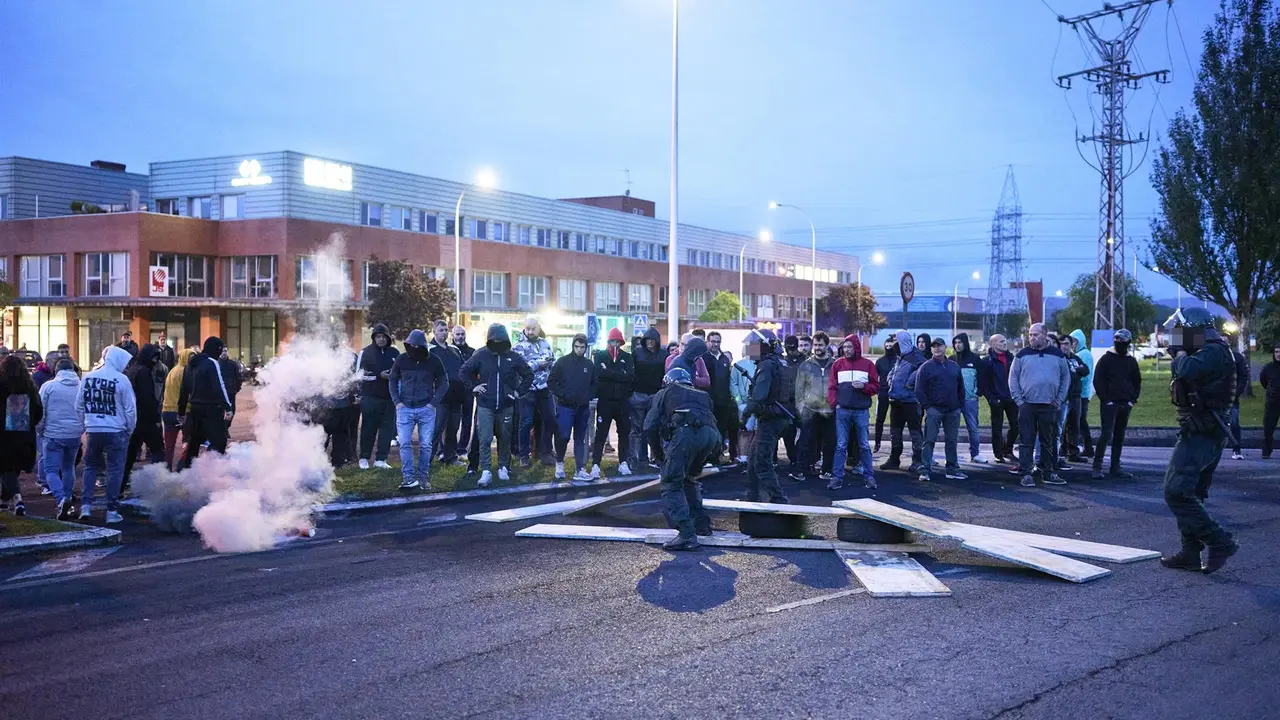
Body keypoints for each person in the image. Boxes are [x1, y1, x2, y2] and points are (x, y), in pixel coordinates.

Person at [1160, 307, 1238, 574]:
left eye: (1182, 332)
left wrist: (1180, 351)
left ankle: (1219, 540)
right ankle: (1190, 552)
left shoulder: (1214, 351)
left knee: (1176, 491)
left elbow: (1187, 369)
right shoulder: (1212, 349)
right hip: (1204, 429)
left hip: (1203, 431)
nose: (1177, 337)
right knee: (1192, 492)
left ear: (1194, 330)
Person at [644, 367, 720, 551]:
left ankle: (686, 534)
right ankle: (702, 525)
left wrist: (659, 456)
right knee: (689, 479)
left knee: (671, 482)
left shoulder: (666, 392)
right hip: (712, 436)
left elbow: (649, 426)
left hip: (687, 433)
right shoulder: (703, 395)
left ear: (668, 381)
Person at [460, 323, 533, 487]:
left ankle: (503, 467)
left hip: (507, 405)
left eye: (501, 339)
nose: (498, 342)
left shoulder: (513, 356)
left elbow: (528, 374)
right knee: (484, 438)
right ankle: (486, 470)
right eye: (495, 339)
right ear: (490, 338)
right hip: (485, 405)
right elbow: (464, 371)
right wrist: (474, 387)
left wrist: (518, 392)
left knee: (505, 438)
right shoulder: (481, 354)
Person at [77, 346, 136, 523]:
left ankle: (85, 506)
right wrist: (129, 429)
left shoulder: (88, 377)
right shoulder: (122, 379)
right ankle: (111, 510)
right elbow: (130, 409)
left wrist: (86, 425)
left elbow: (78, 406)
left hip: (94, 429)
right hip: (117, 430)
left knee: (90, 467)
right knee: (115, 470)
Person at [1009, 323, 1069, 488]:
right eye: (1030, 334)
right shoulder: (1022, 355)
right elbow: (1013, 378)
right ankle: (1026, 473)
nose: (1032, 337)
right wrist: (1019, 401)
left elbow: (1065, 378)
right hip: (1027, 404)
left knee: (1047, 440)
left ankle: (1048, 472)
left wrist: (1059, 399)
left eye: (1035, 334)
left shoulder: (1058, 355)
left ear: (1045, 335)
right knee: (1026, 440)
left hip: (1049, 404)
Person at [389, 329, 449, 490]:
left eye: (418, 345)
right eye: (412, 345)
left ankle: (423, 478)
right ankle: (409, 478)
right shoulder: (401, 360)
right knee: (405, 443)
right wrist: (397, 402)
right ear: (408, 344)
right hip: (404, 408)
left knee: (426, 445)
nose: (414, 348)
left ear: (423, 345)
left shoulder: (434, 361)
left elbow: (444, 383)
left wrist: (433, 403)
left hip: (426, 408)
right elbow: (392, 380)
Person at [742, 328, 788, 504]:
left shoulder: (767, 365)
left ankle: (778, 500)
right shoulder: (778, 363)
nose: (750, 349)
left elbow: (759, 396)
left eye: (753, 346)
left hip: (771, 419)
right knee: (753, 458)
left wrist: (745, 415)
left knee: (760, 461)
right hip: (776, 418)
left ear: (764, 347)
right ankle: (753, 495)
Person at [828, 333, 878, 490]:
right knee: (841, 445)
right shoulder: (837, 364)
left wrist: (864, 387)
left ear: (856, 347)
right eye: (845, 347)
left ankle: (869, 476)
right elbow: (832, 387)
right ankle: (837, 477)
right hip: (842, 410)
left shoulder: (868, 364)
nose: (846, 350)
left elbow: (876, 386)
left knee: (864, 444)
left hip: (861, 410)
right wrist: (834, 402)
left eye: (850, 347)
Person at [176, 337, 235, 469]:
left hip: (195, 409)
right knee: (219, 441)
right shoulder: (211, 363)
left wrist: (181, 411)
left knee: (194, 444)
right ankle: (211, 471)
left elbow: (184, 390)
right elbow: (219, 386)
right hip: (211, 409)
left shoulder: (190, 364)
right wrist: (228, 407)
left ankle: (184, 473)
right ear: (216, 350)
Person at [1091, 329, 1141, 479]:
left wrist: (1132, 400)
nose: (1120, 343)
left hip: (1125, 403)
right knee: (1106, 433)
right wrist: (1106, 400)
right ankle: (1097, 466)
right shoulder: (1106, 359)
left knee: (1120, 435)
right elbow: (1098, 380)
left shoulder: (1131, 361)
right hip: (1110, 403)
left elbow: (1137, 381)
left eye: (1123, 341)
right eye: (1118, 340)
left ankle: (1115, 467)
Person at [37, 358, 83, 519]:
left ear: (56, 371)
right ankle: (68, 498)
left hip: (53, 434)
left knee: (51, 470)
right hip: (74, 434)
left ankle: (61, 499)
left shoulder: (48, 386)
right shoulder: (80, 386)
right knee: (68, 467)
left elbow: (40, 411)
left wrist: (40, 431)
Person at [917, 337, 967, 482]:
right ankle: (925, 469)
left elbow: (961, 388)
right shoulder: (925, 367)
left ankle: (952, 469)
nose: (936, 349)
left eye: (939, 346)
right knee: (929, 440)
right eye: (934, 347)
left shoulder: (954, 366)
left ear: (945, 347)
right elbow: (919, 390)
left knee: (952, 440)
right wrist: (928, 407)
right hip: (934, 410)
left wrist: (959, 405)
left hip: (953, 410)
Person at [0, 355, 43, 518]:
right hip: (24, 435)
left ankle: (18, 499)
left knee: (5, 467)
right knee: (12, 468)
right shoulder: (30, 388)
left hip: (3, 435)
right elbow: (39, 411)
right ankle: (4, 500)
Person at [548, 333, 595, 480]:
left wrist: (589, 395)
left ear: (586, 348)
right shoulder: (563, 362)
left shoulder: (589, 365)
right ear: (573, 346)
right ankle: (560, 463)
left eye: (582, 347)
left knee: (580, 439)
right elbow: (551, 381)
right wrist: (563, 394)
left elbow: (595, 384)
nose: (579, 349)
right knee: (563, 436)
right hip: (566, 406)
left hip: (583, 407)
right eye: (577, 346)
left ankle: (580, 469)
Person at [591, 328, 634, 480]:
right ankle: (595, 463)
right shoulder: (600, 355)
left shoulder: (627, 357)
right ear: (608, 341)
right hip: (605, 400)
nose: (614, 344)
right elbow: (598, 373)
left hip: (622, 401)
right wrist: (618, 374)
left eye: (617, 341)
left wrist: (608, 372)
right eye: (612, 341)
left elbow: (630, 377)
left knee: (624, 433)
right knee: (601, 433)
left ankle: (623, 462)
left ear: (621, 342)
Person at [122, 344, 165, 493]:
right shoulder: (144, 372)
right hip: (145, 419)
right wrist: (156, 419)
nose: (155, 361)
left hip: (133, 419)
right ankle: (159, 485)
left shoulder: (132, 370)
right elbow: (148, 398)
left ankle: (118, 489)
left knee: (129, 456)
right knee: (158, 450)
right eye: (154, 357)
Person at [514, 317, 556, 467]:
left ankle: (545, 453)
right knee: (526, 423)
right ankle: (523, 455)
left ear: (539, 328)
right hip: (528, 390)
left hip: (545, 389)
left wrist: (552, 364)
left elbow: (552, 360)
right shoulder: (518, 346)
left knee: (550, 420)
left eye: (533, 329)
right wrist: (538, 364)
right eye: (528, 329)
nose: (530, 332)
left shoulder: (545, 343)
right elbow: (520, 368)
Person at [881, 331, 926, 473]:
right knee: (895, 431)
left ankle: (918, 460)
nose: (893, 344)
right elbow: (895, 370)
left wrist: (910, 381)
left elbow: (922, 369)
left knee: (915, 432)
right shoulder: (901, 356)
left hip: (911, 401)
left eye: (896, 341)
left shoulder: (916, 355)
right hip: (896, 399)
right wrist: (889, 378)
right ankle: (894, 459)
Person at [357, 324, 399, 470]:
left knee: (387, 430)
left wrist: (393, 377)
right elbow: (359, 376)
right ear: (374, 337)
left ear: (388, 338)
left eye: (384, 337)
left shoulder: (395, 352)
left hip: (389, 399)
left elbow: (400, 373)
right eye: (378, 336)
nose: (381, 339)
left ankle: (381, 459)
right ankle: (364, 458)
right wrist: (378, 376)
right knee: (368, 429)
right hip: (370, 398)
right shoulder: (365, 352)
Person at [796, 332, 836, 482]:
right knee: (805, 441)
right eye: (815, 345)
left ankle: (827, 470)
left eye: (820, 345)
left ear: (826, 346)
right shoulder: (806, 365)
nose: (817, 348)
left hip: (829, 410)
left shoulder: (835, 364)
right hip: (810, 410)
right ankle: (801, 470)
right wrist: (800, 406)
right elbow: (799, 387)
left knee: (829, 442)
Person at [429, 320, 467, 465]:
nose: (444, 332)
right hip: (439, 398)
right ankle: (427, 459)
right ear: (434, 332)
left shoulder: (454, 350)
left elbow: (463, 370)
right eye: (441, 330)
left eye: (445, 330)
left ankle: (450, 457)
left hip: (456, 397)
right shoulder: (430, 350)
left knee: (453, 429)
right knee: (436, 429)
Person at [629, 327, 665, 470]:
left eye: (653, 340)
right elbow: (631, 372)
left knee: (654, 428)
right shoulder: (637, 353)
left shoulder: (663, 354)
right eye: (648, 339)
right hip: (638, 394)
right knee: (637, 429)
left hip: (655, 395)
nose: (650, 342)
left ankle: (656, 457)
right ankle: (638, 458)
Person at [980, 334, 1018, 463]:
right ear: (993, 344)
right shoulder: (987, 361)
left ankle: (1008, 449)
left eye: (1005, 341)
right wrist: (991, 398)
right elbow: (983, 382)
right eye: (1001, 341)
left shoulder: (1012, 358)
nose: (1004, 343)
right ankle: (998, 453)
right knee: (997, 427)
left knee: (1016, 425)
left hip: (1011, 397)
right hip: (996, 398)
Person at [950, 333, 986, 464]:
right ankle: (952, 456)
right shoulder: (951, 360)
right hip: (954, 401)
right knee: (952, 429)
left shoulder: (975, 359)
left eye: (960, 342)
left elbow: (982, 378)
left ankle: (975, 454)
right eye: (955, 343)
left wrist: (978, 393)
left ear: (965, 343)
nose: (957, 345)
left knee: (973, 428)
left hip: (970, 400)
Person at [703, 331, 737, 465]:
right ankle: (708, 457)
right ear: (708, 342)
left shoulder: (724, 358)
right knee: (709, 431)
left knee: (721, 430)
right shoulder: (704, 358)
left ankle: (718, 455)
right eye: (713, 341)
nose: (716, 344)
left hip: (724, 402)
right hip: (710, 401)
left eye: (718, 341)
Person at [1058, 334, 1091, 465]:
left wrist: (1076, 369)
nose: (1064, 346)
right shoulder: (1058, 358)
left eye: (1066, 344)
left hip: (1075, 396)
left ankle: (1073, 452)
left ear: (1071, 345)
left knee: (1074, 425)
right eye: (1061, 344)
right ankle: (1060, 451)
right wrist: (1075, 371)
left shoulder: (1075, 358)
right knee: (1060, 426)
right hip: (1063, 396)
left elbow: (1085, 369)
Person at [161, 347, 195, 469]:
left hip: (167, 412)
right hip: (182, 412)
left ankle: (166, 470)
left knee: (169, 446)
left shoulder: (172, 371)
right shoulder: (187, 372)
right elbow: (188, 393)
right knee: (189, 442)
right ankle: (181, 467)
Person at [778, 335, 804, 469]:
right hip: (787, 402)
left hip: (802, 401)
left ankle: (800, 456)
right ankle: (792, 457)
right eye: (788, 349)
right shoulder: (782, 361)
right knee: (789, 432)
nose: (790, 352)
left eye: (792, 349)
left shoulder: (805, 360)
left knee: (806, 431)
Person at [1069, 330, 1096, 458]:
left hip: (1082, 393)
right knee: (1080, 421)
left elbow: (1086, 374)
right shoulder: (1080, 353)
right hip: (1081, 393)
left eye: (1074, 341)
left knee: (1080, 421)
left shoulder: (1084, 354)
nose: (1072, 344)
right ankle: (1088, 447)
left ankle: (1088, 447)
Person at [731, 343, 758, 466]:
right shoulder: (738, 365)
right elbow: (733, 384)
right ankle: (743, 457)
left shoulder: (762, 365)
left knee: (757, 432)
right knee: (745, 430)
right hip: (745, 403)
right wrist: (739, 402)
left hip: (759, 403)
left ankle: (753, 456)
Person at [1224, 337, 1250, 460]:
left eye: (1225, 340)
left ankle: (1237, 449)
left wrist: (1236, 393)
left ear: (1230, 342)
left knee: (1234, 423)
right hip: (1215, 398)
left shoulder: (1237, 357)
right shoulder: (1213, 357)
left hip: (1232, 398)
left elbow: (1243, 376)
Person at [452, 325, 476, 456]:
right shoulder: (448, 351)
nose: (460, 336)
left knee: (467, 421)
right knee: (450, 422)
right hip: (452, 392)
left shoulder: (472, 352)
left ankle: (462, 450)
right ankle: (447, 449)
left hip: (467, 391)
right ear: (453, 335)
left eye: (462, 334)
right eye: (458, 334)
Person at [872, 336, 897, 453]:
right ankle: (877, 443)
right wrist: (877, 389)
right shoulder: (880, 361)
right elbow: (874, 377)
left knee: (895, 420)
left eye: (891, 346)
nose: (888, 347)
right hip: (882, 393)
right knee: (879, 419)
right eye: (886, 346)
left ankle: (895, 444)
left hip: (896, 394)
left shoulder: (899, 360)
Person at [1260, 342, 1280, 459]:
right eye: (1277, 352)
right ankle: (1266, 451)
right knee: (1268, 427)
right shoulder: (1268, 368)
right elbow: (1263, 381)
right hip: (1273, 402)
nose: (1279, 354)